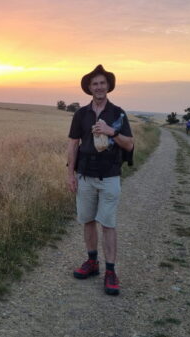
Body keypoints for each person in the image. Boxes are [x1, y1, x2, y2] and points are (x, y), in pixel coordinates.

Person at [66, 64, 134, 295]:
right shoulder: (81, 114)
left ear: (108, 86)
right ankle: (92, 262)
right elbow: (73, 144)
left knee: (108, 223)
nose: (99, 87)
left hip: (110, 177)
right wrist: (70, 175)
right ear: (89, 88)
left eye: (102, 83)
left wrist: (110, 131)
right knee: (87, 220)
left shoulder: (118, 114)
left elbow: (129, 144)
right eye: (94, 83)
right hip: (85, 176)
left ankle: (111, 271)